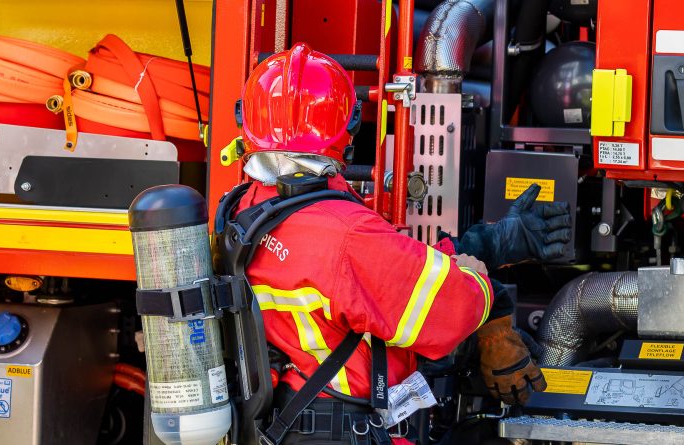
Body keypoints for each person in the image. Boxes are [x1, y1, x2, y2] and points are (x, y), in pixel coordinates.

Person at [235, 42, 566, 444]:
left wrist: (491, 242)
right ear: (349, 125)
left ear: (247, 122)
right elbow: (452, 304)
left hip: (286, 423)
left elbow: (381, 277)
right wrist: (482, 287)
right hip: (343, 430)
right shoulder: (345, 234)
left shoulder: (245, 209)